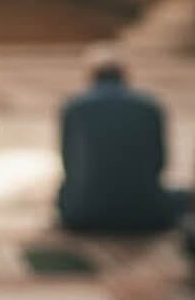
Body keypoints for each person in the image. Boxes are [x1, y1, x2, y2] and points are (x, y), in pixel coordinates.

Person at [58, 46, 192, 234]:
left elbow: (69, 163)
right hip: (146, 213)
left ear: (91, 75)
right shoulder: (150, 106)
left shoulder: (74, 108)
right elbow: (159, 162)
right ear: (125, 73)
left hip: (82, 215)